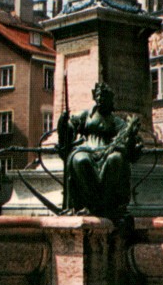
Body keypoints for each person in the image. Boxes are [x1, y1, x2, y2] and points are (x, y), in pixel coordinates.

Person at [58, 82, 140, 219]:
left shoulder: (115, 120)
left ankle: (106, 204)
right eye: (98, 96)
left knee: (116, 159)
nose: (100, 99)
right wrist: (63, 122)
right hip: (86, 149)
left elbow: (126, 139)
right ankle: (90, 204)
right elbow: (69, 131)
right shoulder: (86, 115)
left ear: (110, 100)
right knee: (81, 160)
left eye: (104, 97)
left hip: (108, 151)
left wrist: (131, 136)